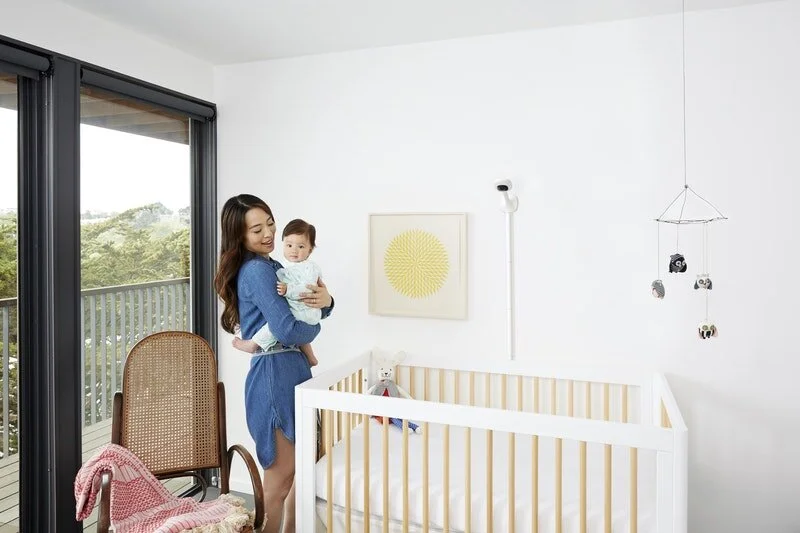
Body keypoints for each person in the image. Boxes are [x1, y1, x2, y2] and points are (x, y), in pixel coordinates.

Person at [214, 194, 334, 533]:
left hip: (289, 369)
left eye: (270, 224)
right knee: (280, 478)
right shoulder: (256, 270)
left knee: (299, 473)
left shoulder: (274, 266)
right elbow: (287, 328)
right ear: (239, 236)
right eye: (257, 230)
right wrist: (318, 325)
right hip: (273, 374)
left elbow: (304, 306)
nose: (268, 233)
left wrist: (327, 302)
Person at [232, 218, 322, 367]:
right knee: (283, 320)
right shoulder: (279, 267)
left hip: (304, 309)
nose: (294, 250)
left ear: (310, 250)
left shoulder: (307, 268)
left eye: (300, 246)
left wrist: (290, 290)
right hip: (301, 310)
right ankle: (311, 357)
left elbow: (307, 288)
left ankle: (253, 344)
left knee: (274, 326)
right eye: (289, 245)